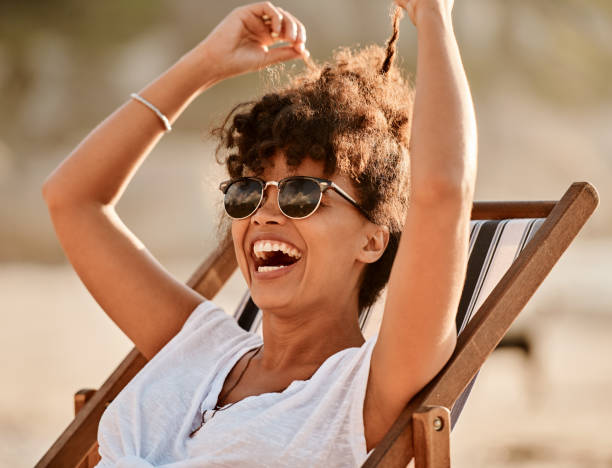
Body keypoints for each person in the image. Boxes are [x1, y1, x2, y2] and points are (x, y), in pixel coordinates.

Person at [42, 0, 477, 466]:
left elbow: (441, 194)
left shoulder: (362, 392)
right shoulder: (201, 348)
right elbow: (71, 199)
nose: (264, 214)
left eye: (301, 194)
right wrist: (205, 64)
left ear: (371, 240)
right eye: (248, 191)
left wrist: (433, 16)